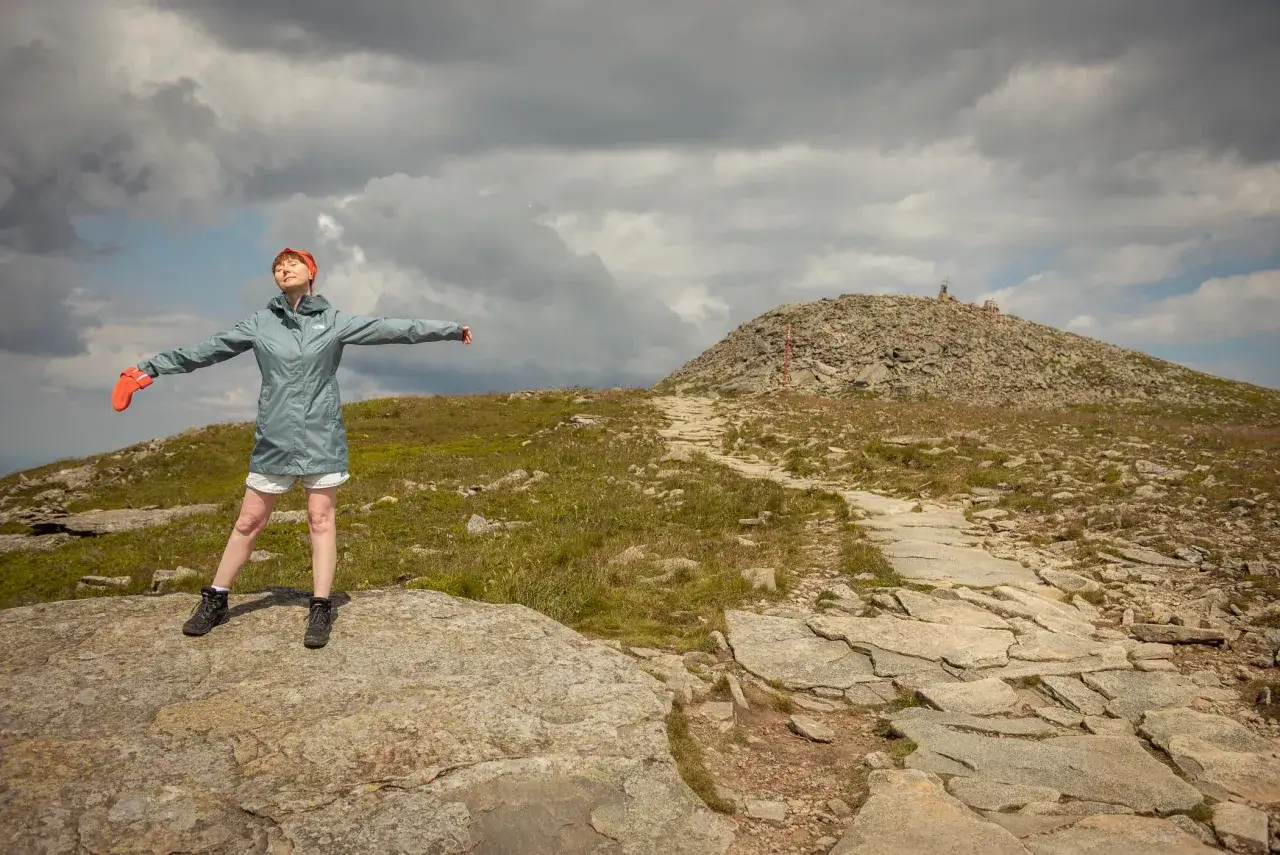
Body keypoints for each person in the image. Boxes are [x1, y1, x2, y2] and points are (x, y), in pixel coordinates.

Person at [112, 248, 471, 648]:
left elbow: (392, 328)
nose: (284, 269)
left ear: (311, 272)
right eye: (277, 267)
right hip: (276, 438)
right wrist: (149, 369)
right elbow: (206, 349)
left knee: (321, 519)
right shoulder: (260, 324)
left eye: (292, 263)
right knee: (248, 522)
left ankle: (320, 606)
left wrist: (450, 329)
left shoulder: (334, 322)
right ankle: (216, 599)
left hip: (321, 436)